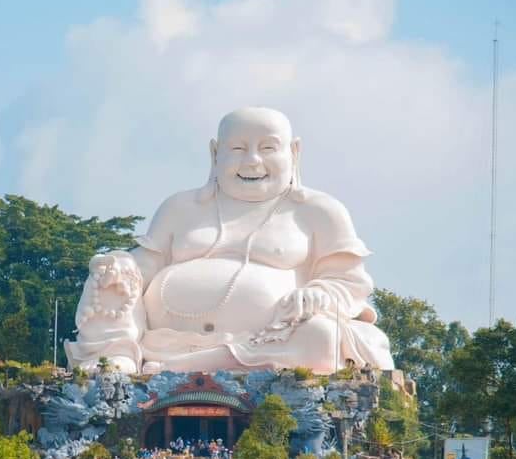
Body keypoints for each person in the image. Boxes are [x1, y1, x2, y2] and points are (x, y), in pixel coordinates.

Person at [64, 107, 395, 375]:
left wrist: (318, 293)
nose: (252, 161)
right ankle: (117, 355)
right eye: (238, 149)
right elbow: (145, 263)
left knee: (324, 337)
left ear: (294, 152)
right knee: (114, 271)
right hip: (161, 340)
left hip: (272, 340)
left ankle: (177, 369)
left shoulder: (318, 210)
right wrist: (119, 266)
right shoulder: (181, 207)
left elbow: (349, 282)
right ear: (215, 153)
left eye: (267, 148)